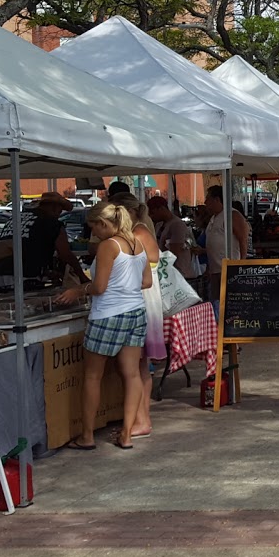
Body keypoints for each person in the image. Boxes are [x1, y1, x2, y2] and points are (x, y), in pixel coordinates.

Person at [55, 202, 151, 450]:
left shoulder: (109, 246)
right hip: (136, 312)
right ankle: (127, 433)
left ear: (104, 223)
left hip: (108, 314)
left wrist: (78, 290)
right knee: (131, 374)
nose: (93, 233)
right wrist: (125, 286)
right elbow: (147, 281)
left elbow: (99, 287)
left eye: (93, 227)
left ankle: (87, 436)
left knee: (92, 376)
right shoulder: (137, 243)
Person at [112, 193, 163, 438]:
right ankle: (141, 417)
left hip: (142, 298)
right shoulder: (137, 233)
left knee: (136, 365)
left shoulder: (138, 234)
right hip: (143, 297)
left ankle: (142, 419)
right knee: (139, 365)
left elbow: (149, 261)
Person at [0, 191, 84, 289]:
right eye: (60, 211)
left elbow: (28, 247)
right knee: (29, 304)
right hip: (24, 275)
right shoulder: (51, 223)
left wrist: (47, 272)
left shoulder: (16, 218)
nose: (59, 214)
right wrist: (83, 278)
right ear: (54, 207)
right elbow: (65, 254)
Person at [197, 185, 248, 299]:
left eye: (208, 199)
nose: (205, 202)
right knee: (217, 300)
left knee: (229, 301)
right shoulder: (214, 218)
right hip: (215, 269)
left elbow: (243, 240)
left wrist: (241, 264)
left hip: (229, 268)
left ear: (217, 200)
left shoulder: (232, 215)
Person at [149, 196, 194, 283]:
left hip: (178, 273)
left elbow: (174, 252)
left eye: (153, 213)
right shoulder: (159, 225)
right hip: (165, 272)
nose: (152, 216)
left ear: (161, 208)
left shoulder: (177, 225)